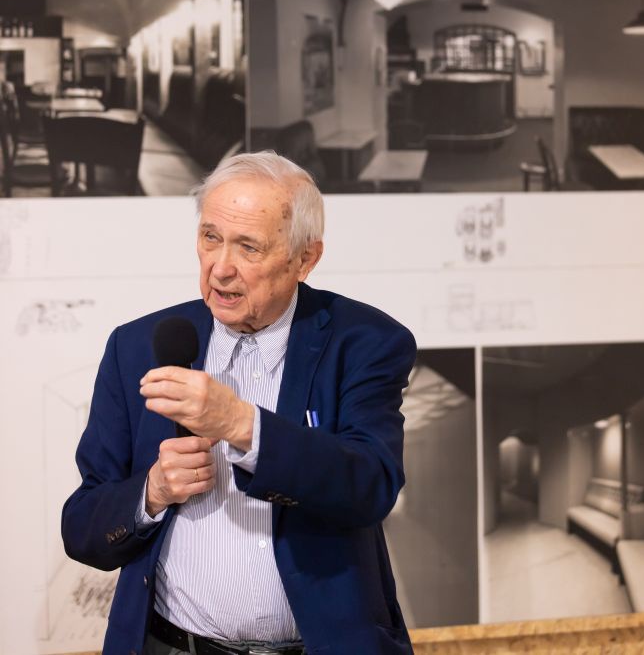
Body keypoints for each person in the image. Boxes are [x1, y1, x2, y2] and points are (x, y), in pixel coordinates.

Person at [62, 151, 417, 655]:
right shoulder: (136, 346)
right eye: (211, 238)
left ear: (305, 259)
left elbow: (370, 485)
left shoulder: (364, 342)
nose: (221, 268)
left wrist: (243, 425)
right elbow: (82, 527)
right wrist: (153, 491)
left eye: (249, 247)